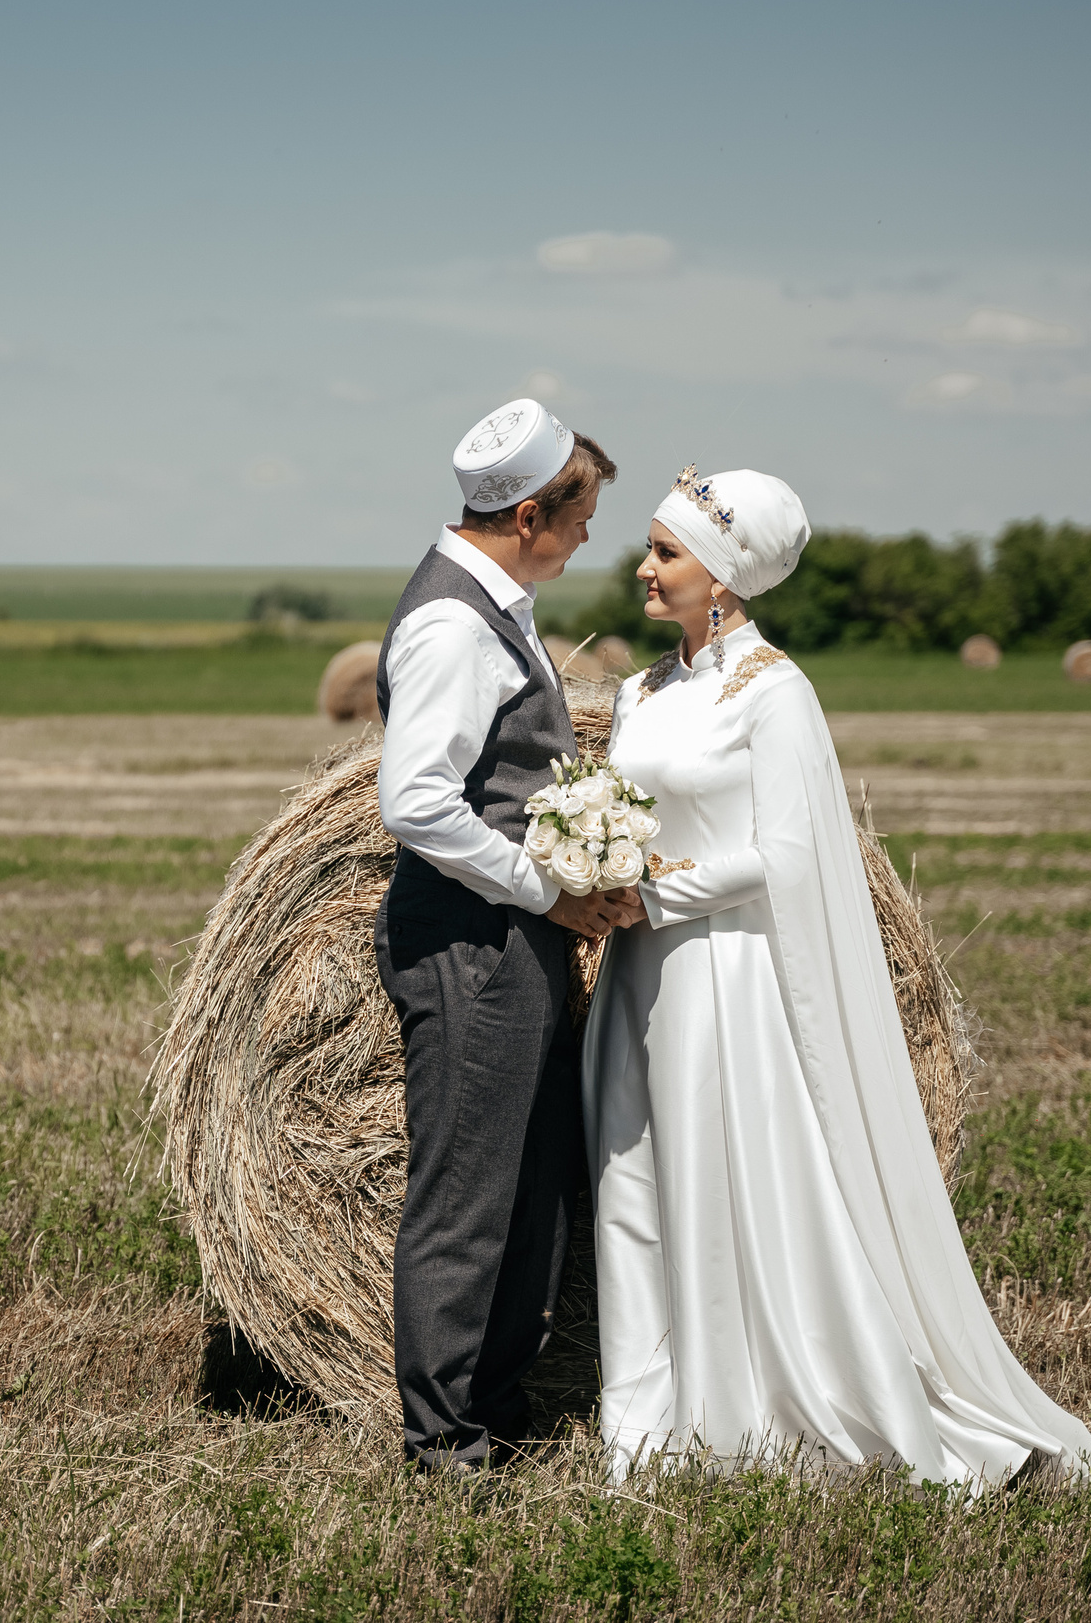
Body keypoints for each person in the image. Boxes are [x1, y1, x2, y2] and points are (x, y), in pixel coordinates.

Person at [584, 466, 1091, 1488]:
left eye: (666, 552)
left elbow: (785, 857)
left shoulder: (773, 693)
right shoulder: (640, 690)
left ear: (726, 577)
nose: (645, 567)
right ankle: (649, 1419)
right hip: (636, 976)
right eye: (649, 548)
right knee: (634, 1187)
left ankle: (756, 1411)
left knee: (722, 1182)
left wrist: (649, 894)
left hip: (719, 979)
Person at [373, 397, 643, 1472]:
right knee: (468, 1197)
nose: (587, 540)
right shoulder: (452, 623)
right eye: (580, 519)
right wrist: (544, 888)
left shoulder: (498, 600)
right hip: (471, 948)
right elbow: (417, 802)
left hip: (506, 940)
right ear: (530, 515)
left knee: (529, 1183)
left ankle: (490, 1406)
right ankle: (440, 1440)